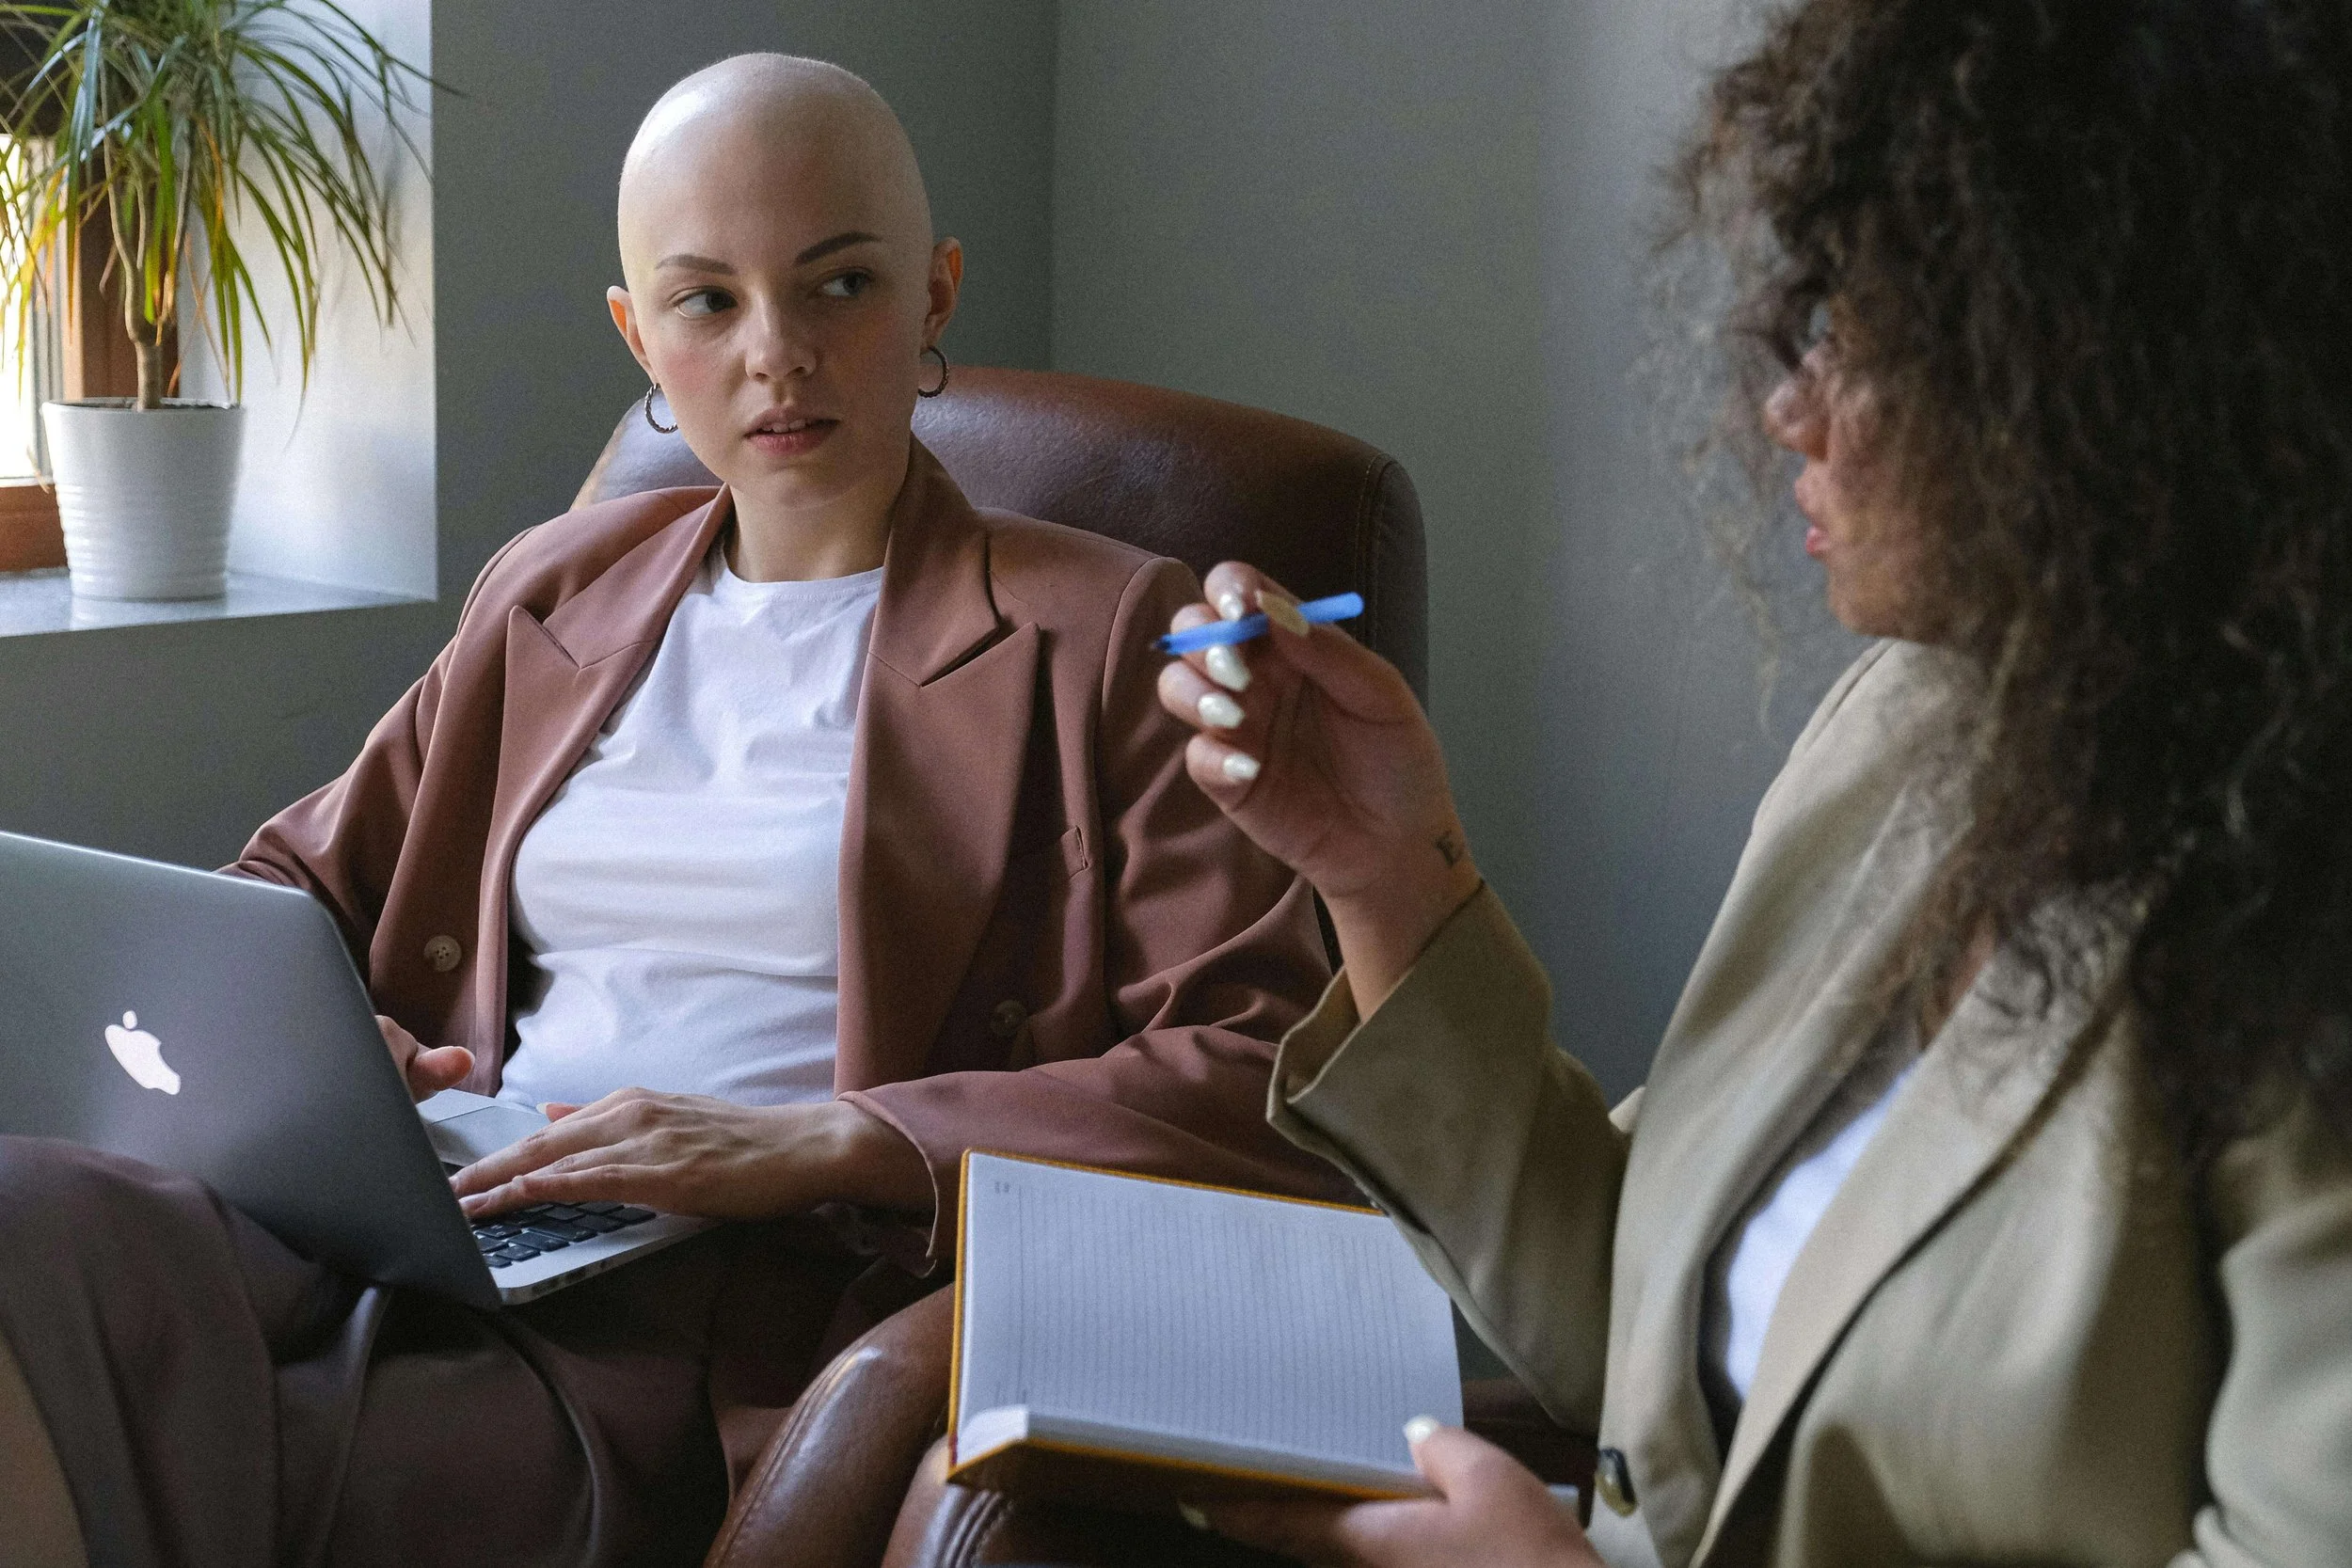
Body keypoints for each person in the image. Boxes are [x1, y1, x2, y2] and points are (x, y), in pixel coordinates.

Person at [0, 54, 1342, 1566]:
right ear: (640, 332)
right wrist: (327, 1041)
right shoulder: (554, 589)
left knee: (209, 1455)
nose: (780, 353)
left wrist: (834, 1137)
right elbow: (290, 888)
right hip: (449, 1204)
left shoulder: (1104, 636)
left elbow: (1266, 1072)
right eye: (709, 301)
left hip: (706, 1309)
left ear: (937, 294)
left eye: (840, 285)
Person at [1153, 2, 2352, 1563]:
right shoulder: (1921, 724)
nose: (1786, 406)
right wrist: (1386, 873)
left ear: (2112, 372)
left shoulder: (2308, 924)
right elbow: (1647, 1328)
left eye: (1860, 336)